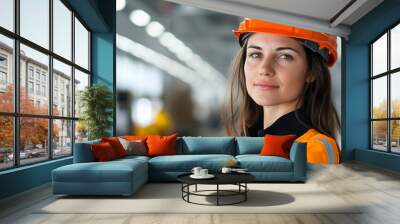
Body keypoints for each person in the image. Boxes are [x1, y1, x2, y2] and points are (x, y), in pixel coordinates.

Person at [223, 18, 340, 164]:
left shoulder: (315, 149)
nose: (264, 69)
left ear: (311, 72)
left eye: (285, 56)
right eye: (255, 54)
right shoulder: (251, 141)